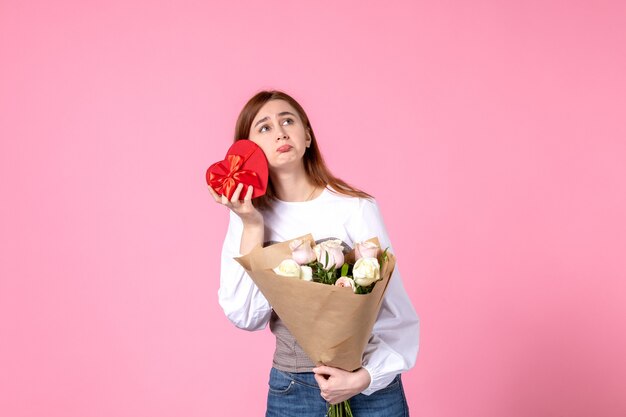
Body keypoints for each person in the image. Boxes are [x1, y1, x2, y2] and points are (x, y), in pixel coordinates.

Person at [208, 90, 419, 416]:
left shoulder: (355, 207)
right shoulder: (248, 217)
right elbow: (244, 316)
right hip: (295, 390)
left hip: (371, 388)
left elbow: (396, 311)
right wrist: (251, 225)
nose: (279, 132)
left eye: (288, 121)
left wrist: (365, 377)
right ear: (250, 151)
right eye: (264, 127)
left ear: (307, 136)